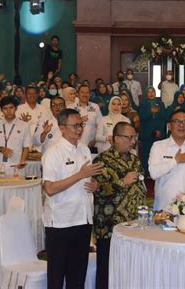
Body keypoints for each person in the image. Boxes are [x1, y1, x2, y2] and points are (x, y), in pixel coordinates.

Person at [42, 108, 104, 289]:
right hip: (61, 221)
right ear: (62, 128)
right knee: (57, 274)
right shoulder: (53, 153)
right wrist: (80, 174)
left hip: (83, 218)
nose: (79, 129)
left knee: (78, 273)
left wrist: (94, 185)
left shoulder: (84, 149)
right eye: (75, 125)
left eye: (81, 125)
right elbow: (50, 189)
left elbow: (88, 179)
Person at [93, 122, 146, 289]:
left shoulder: (135, 159)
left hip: (133, 224)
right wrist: (122, 182)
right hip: (110, 225)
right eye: (129, 137)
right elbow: (98, 190)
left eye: (134, 138)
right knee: (107, 269)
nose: (133, 141)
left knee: (130, 268)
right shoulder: (102, 160)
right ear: (116, 138)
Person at [0, 96, 32, 176]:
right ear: (1, 110)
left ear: (16, 108)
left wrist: (22, 161)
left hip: (16, 167)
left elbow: (26, 147)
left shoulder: (24, 125)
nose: (8, 111)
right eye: (5, 108)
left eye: (11, 107)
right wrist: (1, 149)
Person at [139, 87, 165, 174]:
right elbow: (142, 117)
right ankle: (146, 173)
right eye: (149, 92)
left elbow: (163, 119)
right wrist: (150, 111)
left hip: (158, 132)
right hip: (147, 133)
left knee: (158, 154)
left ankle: (157, 172)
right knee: (146, 154)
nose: (151, 93)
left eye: (152, 91)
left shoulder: (160, 103)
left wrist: (159, 130)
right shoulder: (143, 104)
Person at [73, 85, 102, 154]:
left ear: (90, 94)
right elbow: (68, 125)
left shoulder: (95, 107)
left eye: (87, 92)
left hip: (91, 144)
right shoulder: (71, 107)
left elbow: (100, 125)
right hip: (75, 144)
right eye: (82, 92)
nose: (85, 95)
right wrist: (80, 120)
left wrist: (95, 140)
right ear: (77, 94)